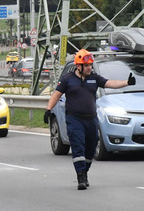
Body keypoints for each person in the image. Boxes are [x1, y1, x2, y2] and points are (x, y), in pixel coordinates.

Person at [42, 48, 135, 190]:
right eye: (86, 65)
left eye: (90, 65)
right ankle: (81, 176)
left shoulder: (94, 78)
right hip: (74, 119)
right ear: (78, 66)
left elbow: (111, 83)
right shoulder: (68, 79)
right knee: (78, 146)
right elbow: (56, 95)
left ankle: (85, 170)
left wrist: (127, 82)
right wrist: (48, 110)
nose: (89, 68)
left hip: (91, 119)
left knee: (91, 148)